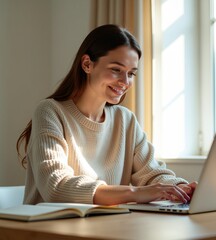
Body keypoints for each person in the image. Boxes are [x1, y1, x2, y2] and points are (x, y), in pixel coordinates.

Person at [16, 24, 197, 206]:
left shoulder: (125, 120)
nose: (125, 82)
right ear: (87, 64)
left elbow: (152, 174)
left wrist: (183, 189)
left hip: (104, 227)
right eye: (116, 70)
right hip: (48, 229)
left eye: (131, 73)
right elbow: (56, 186)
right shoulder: (50, 111)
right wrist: (134, 193)